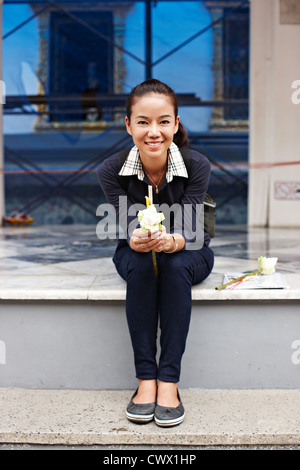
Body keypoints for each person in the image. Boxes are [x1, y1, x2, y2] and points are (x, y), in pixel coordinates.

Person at [97, 79, 214, 427]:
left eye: (164, 121)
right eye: (143, 122)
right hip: (135, 250)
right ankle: (145, 380)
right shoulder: (111, 171)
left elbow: (192, 231)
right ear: (129, 125)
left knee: (174, 265)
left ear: (176, 124)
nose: (154, 132)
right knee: (142, 262)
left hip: (189, 251)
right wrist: (137, 239)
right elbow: (125, 224)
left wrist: (172, 242)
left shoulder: (197, 165)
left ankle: (169, 383)